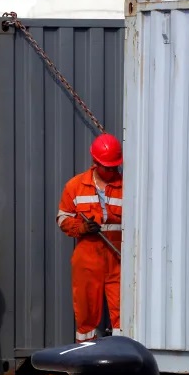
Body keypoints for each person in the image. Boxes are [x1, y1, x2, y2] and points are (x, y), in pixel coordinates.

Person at [56, 133, 124, 344]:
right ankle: (85, 355)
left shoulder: (129, 186)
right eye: (107, 167)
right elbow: (62, 219)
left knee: (123, 312)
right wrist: (82, 227)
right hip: (87, 258)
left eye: (114, 167)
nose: (111, 171)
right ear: (96, 162)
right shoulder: (75, 186)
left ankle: (123, 355)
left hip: (119, 258)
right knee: (86, 313)